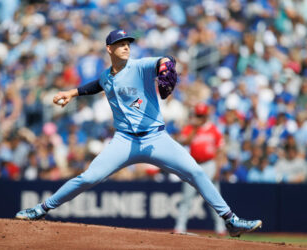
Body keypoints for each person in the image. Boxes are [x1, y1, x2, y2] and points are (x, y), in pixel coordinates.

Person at [15, 29, 262, 237]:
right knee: (89, 178)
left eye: (127, 43)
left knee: (196, 171)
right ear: (109, 49)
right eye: (119, 44)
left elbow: (163, 61)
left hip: (156, 139)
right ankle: (40, 209)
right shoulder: (106, 76)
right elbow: (96, 85)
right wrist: (71, 93)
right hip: (124, 141)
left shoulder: (140, 66)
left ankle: (230, 220)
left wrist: (166, 66)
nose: (125, 47)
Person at [174, 103, 226, 235]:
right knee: (186, 198)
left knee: (214, 197)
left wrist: (218, 168)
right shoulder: (190, 128)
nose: (200, 117)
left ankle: (220, 228)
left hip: (210, 164)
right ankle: (180, 226)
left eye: (202, 115)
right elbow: (184, 142)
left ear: (206, 115)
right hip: (193, 164)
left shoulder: (213, 129)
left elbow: (220, 150)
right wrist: (195, 129)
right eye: (198, 115)